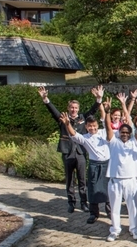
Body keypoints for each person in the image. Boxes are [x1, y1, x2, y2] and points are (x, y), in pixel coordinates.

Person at [38, 85, 103, 213]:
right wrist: (46, 99)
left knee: (82, 180)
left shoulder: (83, 118)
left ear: (78, 109)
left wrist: (98, 99)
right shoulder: (63, 118)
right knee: (70, 180)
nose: (73, 110)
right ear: (68, 109)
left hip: (80, 153)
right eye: (72, 108)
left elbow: (93, 110)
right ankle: (71, 203)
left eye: (76, 108)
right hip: (67, 152)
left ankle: (84, 203)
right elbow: (52, 111)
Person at [103, 99, 137, 242]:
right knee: (114, 208)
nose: (124, 134)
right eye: (122, 132)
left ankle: (134, 230)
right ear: (119, 132)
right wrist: (107, 112)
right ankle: (115, 230)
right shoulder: (113, 142)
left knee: (133, 208)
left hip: (131, 180)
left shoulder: (134, 142)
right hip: (115, 180)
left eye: (127, 132)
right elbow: (108, 128)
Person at [61, 113, 110, 224]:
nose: (92, 128)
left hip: (107, 164)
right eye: (90, 126)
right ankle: (94, 213)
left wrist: (106, 111)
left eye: (94, 125)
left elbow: (108, 125)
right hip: (94, 165)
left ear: (98, 125)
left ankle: (110, 211)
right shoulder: (85, 138)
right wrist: (67, 124)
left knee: (109, 189)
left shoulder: (104, 132)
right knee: (92, 190)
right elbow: (73, 134)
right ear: (86, 127)